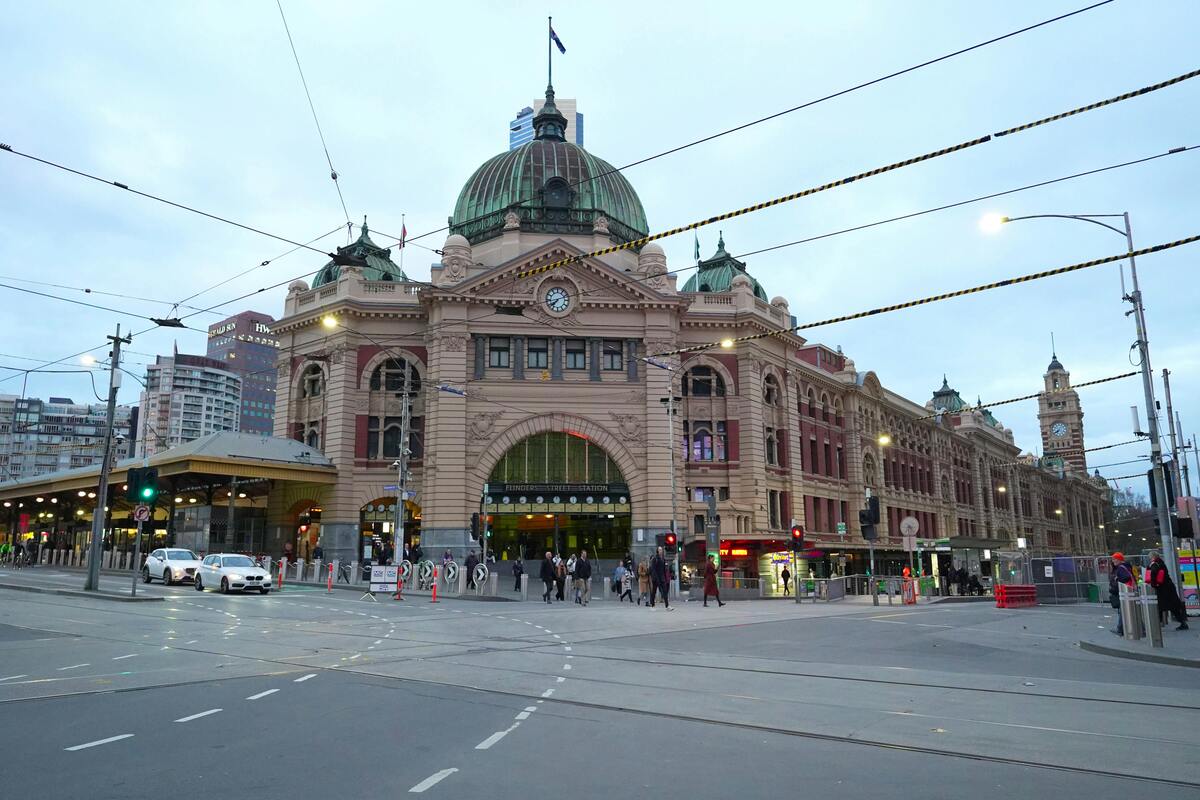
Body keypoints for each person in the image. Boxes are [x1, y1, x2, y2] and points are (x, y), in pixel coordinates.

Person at [1147, 551, 1189, 630]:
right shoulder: (1161, 563)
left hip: (1162, 588)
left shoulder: (1154, 564)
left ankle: (1157, 625)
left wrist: (1153, 584)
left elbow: (1153, 573)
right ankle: (1182, 622)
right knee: (1172, 606)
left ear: (1152, 557)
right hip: (1168, 587)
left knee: (1160, 606)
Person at [1110, 552, 1137, 637]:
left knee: (1123, 611)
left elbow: (1125, 578)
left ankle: (1120, 629)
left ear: (1119, 559)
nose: (1113, 561)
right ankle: (1141, 627)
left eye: (1114, 559)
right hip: (1128, 591)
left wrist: (1117, 580)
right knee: (1128, 610)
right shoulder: (1125, 566)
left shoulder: (1121, 568)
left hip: (1125, 592)